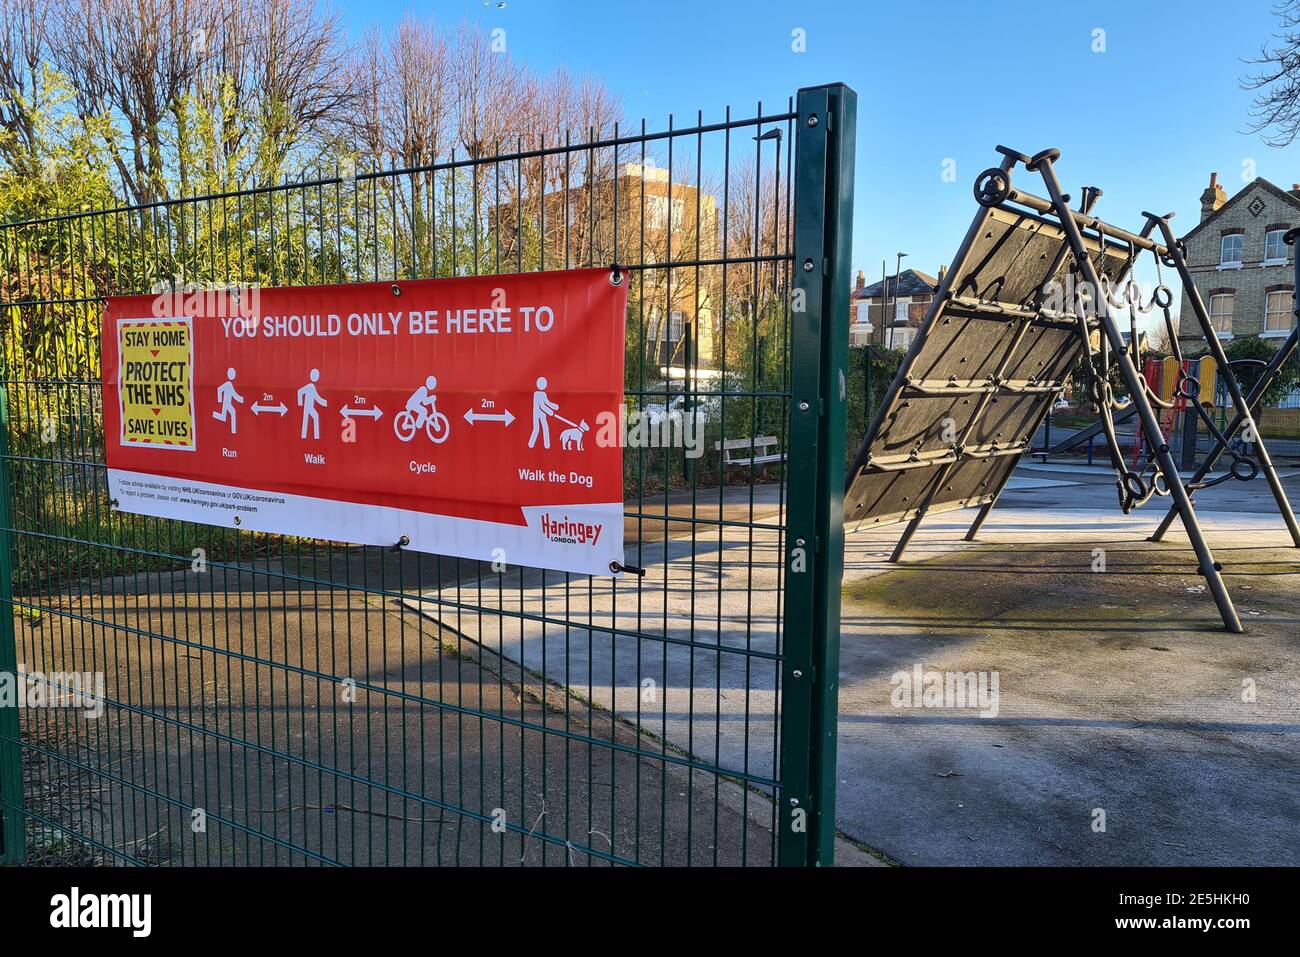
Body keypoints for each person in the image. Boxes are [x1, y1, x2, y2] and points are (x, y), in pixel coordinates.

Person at [529, 376, 559, 449]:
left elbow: (547, 402)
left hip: (543, 414)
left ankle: (547, 445)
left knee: (545, 427)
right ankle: (531, 444)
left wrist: (554, 406)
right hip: (536, 415)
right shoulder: (536, 394)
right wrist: (551, 412)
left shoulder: (543, 394)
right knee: (536, 429)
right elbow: (542, 406)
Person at [297, 368, 327, 440]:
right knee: (315, 417)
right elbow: (299, 392)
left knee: (307, 420)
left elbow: (316, 397)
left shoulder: (312, 386)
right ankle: (316, 436)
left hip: (309, 407)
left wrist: (324, 402)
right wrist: (300, 403)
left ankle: (305, 435)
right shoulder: (310, 386)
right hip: (308, 407)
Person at [213, 367, 244, 434]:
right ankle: (233, 431)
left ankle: (233, 431)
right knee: (230, 413)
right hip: (226, 403)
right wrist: (219, 400)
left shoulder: (230, 384)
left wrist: (240, 399)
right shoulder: (228, 384)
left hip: (227, 403)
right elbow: (219, 389)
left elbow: (234, 394)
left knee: (225, 415)